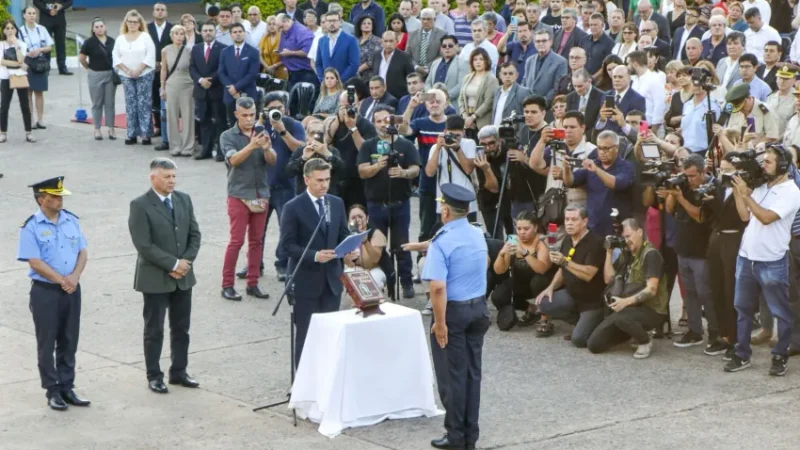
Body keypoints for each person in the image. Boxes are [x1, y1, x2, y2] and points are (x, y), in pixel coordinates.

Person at [422, 183, 490, 450]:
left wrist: (440, 323)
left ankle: (455, 436)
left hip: (454, 313)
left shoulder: (442, 240)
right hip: (478, 309)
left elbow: (437, 287)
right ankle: (470, 435)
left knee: (452, 377)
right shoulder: (476, 234)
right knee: (473, 374)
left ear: (446, 211)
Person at [128, 158, 202, 394]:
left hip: (183, 276)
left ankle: (179, 372)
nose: (172, 181)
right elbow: (144, 244)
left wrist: (185, 263)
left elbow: (194, 234)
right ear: (153, 178)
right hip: (155, 277)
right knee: (154, 329)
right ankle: (154, 375)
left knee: (181, 328)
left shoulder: (183, 199)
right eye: (167, 177)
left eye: (173, 176)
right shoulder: (140, 205)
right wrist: (172, 263)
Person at [726, 146, 800, 375]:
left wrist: (747, 195)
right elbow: (744, 216)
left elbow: (766, 217)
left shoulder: (792, 192)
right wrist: (740, 193)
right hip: (747, 257)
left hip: (771, 260)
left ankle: (779, 355)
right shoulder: (761, 186)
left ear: (783, 166)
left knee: (780, 311)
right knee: (742, 307)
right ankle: (742, 353)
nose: (762, 165)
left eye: (768, 162)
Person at [17, 176, 89, 410]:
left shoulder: (71, 220)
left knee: (69, 339)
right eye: (54, 197)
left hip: (71, 290)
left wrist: (75, 278)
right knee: (47, 342)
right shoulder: (31, 227)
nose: (59, 200)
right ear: (41, 200)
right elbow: (35, 262)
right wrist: (61, 280)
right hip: (46, 292)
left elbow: (82, 253)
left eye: (60, 196)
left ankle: (68, 387)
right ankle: (52, 389)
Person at [279, 158, 353, 367]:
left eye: (327, 180)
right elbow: (287, 246)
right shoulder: (293, 207)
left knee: (329, 334)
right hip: (305, 282)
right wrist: (314, 255)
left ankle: (326, 380)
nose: (324, 185)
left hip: (331, 281)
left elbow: (342, 235)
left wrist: (349, 249)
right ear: (306, 179)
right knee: (306, 334)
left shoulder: (336, 203)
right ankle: (302, 385)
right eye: (319, 180)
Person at [236, 93, 304, 282]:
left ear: (286, 109)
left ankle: (282, 265)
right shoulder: (258, 125)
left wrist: (282, 131)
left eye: (279, 108)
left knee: (286, 228)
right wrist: (258, 123)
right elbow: (247, 148)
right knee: (256, 230)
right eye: (271, 108)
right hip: (261, 186)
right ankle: (254, 265)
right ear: (264, 110)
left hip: (286, 186)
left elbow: (300, 149)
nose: (276, 112)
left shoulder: (293, 125)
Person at [357, 106, 422, 298]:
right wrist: (378, 166)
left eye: (387, 120)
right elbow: (362, 171)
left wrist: (403, 173)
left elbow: (415, 169)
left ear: (393, 122)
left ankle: (406, 282)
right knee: (377, 246)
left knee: (401, 244)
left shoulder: (405, 145)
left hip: (400, 203)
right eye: (379, 121)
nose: (384, 125)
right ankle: (385, 280)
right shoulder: (368, 145)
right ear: (374, 123)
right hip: (376, 204)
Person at [220, 97, 277, 300]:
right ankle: (227, 284)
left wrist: (267, 148)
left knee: (256, 241)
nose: (249, 119)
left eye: (252, 115)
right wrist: (253, 146)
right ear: (236, 115)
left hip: (261, 193)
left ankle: (253, 283)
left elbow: (272, 161)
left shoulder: (262, 132)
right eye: (244, 115)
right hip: (238, 194)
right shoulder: (227, 136)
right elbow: (233, 160)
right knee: (236, 241)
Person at [586, 218, 669, 358]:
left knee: (622, 318)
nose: (626, 241)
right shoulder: (627, 254)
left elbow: (652, 289)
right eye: (623, 237)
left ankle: (644, 341)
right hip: (627, 310)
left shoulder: (650, 254)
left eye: (628, 236)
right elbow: (609, 279)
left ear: (640, 232)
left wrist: (625, 302)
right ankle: (633, 332)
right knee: (594, 345)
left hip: (652, 310)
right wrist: (609, 253)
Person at [534, 205, 606, 344]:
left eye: (574, 219)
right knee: (543, 304)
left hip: (591, 302)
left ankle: (596, 323)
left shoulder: (595, 242)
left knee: (579, 340)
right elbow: (562, 269)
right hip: (572, 295)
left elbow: (588, 274)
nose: (569, 223)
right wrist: (551, 288)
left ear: (585, 221)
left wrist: (565, 262)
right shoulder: (568, 240)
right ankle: (581, 323)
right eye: (567, 219)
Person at [563, 130, 635, 236]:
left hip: (618, 229)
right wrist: (566, 169)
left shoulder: (626, 167)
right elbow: (570, 182)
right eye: (599, 148)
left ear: (616, 148)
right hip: (593, 227)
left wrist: (596, 170)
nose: (602, 152)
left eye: (606, 148)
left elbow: (615, 184)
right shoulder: (593, 164)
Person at [492, 211, 555, 329]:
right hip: (522, 282)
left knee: (538, 281)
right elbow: (500, 271)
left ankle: (545, 318)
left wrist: (525, 253)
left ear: (535, 227)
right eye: (519, 228)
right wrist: (502, 254)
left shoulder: (542, 241)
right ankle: (532, 310)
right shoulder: (513, 240)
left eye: (526, 229)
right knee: (498, 296)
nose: (522, 232)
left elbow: (542, 269)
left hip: (542, 282)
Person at [114, 10, 156, 146]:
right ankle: (131, 134)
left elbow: (150, 55)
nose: (132, 24)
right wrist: (127, 70)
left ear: (139, 24)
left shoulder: (145, 37)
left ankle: (145, 134)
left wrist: (139, 69)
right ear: (126, 23)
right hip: (126, 75)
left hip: (144, 74)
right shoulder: (120, 38)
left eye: (135, 22)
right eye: (129, 21)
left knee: (144, 104)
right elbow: (115, 57)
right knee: (131, 105)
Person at [190, 20, 226, 161]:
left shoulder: (223, 48)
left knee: (220, 122)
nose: (208, 33)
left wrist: (210, 80)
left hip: (216, 90)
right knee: (204, 122)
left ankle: (221, 152)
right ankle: (206, 150)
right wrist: (200, 80)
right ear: (201, 32)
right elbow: (192, 68)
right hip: (201, 92)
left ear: (215, 32)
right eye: (205, 30)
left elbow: (222, 68)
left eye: (210, 30)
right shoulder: (196, 48)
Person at [79, 17, 117, 141]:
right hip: (95, 74)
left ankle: (111, 128)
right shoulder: (89, 42)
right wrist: (89, 69)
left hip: (110, 74)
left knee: (110, 103)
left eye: (101, 26)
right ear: (93, 29)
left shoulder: (112, 41)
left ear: (105, 27)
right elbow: (82, 59)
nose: (99, 28)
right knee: (97, 103)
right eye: (96, 27)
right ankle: (97, 129)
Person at [159, 26, 194, 158]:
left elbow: (193, 68)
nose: (179, 36)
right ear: (171, 35)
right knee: (171, 115)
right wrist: (162, 87)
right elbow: (163, 70)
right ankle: (175, 146)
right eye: (176, 34)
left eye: (182, 34)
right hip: (171, 84)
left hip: (187, 84)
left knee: (188, 116)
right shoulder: (165, 50)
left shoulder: (189, 50)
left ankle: (188, 147)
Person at [286, 118, 345, 194]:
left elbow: (343, 172)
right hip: (305, 196)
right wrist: (303, 158)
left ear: (324, 134)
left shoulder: (332, 151)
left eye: (319, 133)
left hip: (328, 195)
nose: (316, 136)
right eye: (312, 133)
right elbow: (289, 172)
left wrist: (328, 155)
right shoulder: (301, 151)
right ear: (307, 135)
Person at [219, 23, 260, 127]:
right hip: (230, 94)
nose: (238, 34)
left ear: (244, 33)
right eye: (235, 32)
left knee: (249, 124)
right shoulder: (224, 52)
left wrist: (236, 87)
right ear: (231, 35)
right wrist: (231, 89)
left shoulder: (253, 51)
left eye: (240, 32)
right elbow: (221, 72)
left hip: (248, 92)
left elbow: (252, 73)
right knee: (233, 124)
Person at [0, 19, 33, 144]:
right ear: (3, 31)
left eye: (12, 28)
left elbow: (21, 59)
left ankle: (28, 132)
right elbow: (2, 61)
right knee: (4, 106)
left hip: (20, 76)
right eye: (7, 28)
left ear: (16, 30)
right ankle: (3, 132)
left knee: (25, 105)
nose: (9, 31)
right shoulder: (1, 44)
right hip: (5, 77)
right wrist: (19, 64)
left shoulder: (21, 44)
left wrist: (16, 45)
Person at [19, 7, 52, 131]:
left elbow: (49, 46)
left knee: (39, 92)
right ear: (24, 15)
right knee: (28, 92)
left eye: (33, 13)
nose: (31, 16)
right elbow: (16, 49)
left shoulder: (41, 29)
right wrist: (26, 53)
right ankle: (30, 119)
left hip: (40, 63)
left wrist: (40, 50)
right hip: (26, 63)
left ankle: (40, 119)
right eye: (29, 13)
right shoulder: (20, 31)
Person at [347, 204, 390, 289]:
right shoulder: (347, 235)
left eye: (360, 216)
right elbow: (346, 262)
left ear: (367, 219)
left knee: (370, 281)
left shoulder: (376, 233)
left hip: (376, 268)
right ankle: (356, 301)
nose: (357, 220)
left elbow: (375, 259)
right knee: (349, 275)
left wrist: (366, 242)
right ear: (349, 221)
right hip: (358, 268)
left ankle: (374, 300)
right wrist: (348, 258)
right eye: (353, 218)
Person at [148, 4, 173, 149]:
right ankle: (157, 126)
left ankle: (170, 127)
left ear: (166, 12)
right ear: (153, 12)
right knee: (154, 98)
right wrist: (153, 62)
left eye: (162, 9)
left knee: (166, 98)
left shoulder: (172, 28)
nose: (160, 12)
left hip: (168, 69)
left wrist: (164, 63)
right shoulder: (147, 28)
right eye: (157, 9)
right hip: (151, 68)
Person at [458, 48, 498, 137]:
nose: (478, 62)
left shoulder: (492, 79)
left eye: (481, 59)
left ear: (486, 61)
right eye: (475, 59)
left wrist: (473, 117)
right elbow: (460, 98)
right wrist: (465, 117)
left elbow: (488, 102)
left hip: (482, 121)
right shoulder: (467, 78)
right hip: (467, 121)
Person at [523, 29, 567, 105]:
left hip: (547, 107)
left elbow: (556, 88)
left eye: (544, 41)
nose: (541, 43)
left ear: (550, 42)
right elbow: (524, 83)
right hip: (528, 106)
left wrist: (541, 104)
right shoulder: (529, 60)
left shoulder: (561, 62)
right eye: (538, 41)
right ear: (534, 43)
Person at [315, 12, 360, 84]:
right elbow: (318, 63)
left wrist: (338, 81)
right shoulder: (322, 40)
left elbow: (354, 64)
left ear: (340, 22)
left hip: (345, 84)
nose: (332, 23)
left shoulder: (351, 40)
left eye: (334, 20)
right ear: (325, 23)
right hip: (327, 86)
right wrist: (323, 80)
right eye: (329, 21)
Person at [424, 35, 467, 108]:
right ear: (441, 48)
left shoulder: (463, 63)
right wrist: (431, 96)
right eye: (444, 46)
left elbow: (461, 85)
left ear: (457, 46)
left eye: (450, 45)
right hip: (433, 105)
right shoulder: (435, 63)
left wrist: (443, 97)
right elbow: (428, 82)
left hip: (452, 105)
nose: (447, 48)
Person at [371, 31, 416, 100]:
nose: (388, 44)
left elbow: (411, 76)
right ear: (382, 42)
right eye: (386, 41)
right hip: (377, 95)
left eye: (391, 41)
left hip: (397, 97)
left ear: (397, 42)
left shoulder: (405, 57)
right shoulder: (376, 55)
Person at [277, 14, 316, 90]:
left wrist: (290, 53)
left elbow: (307, 52)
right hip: (291, 74)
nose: (280, 30)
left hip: (304, 74)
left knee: (303, 100)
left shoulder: (303, 32)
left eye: (281, 27)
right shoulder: (285, 30)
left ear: (287, 21)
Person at [32, 0, 71, 75]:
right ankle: (46, 67)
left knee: (61, 44)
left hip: (60, 20)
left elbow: (69, 2)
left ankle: (62, 67)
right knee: (46, 45)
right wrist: (48, 11)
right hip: (46, 19)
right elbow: (36, 1)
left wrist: (61, 6)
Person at [407, 8, 446, 74]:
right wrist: (416, 67)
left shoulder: (442, 34)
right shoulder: (412, 34)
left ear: (435, 19)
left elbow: (442, 55)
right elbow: (407, 54)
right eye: (423, 19)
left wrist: (427, 68)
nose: (425, 21)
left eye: (428, 19)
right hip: (415, 72)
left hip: (433, 71)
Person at [578, 13, 614, 77]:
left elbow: (607, 64)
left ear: (602, 25)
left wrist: (593, 77)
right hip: (583, 77)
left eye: (595, 25)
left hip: (601, 81)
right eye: (591, 25)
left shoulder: (610, 43)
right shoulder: (583, 40)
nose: (593, 27)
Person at [766, 66, 797, 136]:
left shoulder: (797, 99)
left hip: (786, 140)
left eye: (786, 78)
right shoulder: (770, 97)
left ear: (794, 80)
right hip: (768, 138)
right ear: (776, 79)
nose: (782, 81)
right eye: (780, 78)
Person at [260, 16, 288, 82]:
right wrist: (267, 67)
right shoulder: (264, 38)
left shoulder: (283, 38)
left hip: (281, 72)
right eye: (269, 24)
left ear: (277, 25)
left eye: (274, 24)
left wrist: (274, 66)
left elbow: (287, 56)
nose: (272, 26)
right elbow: (259, 55)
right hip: (267, 72)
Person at [355, 15, 382, 80]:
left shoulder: (378, 41)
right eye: (364, 23)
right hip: (355, 76)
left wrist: (359, 69)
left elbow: (373, 59)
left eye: (369, 23)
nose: (366, 25)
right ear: (360, 26)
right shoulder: (356, 40)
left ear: (372, 26)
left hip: (370, 77)